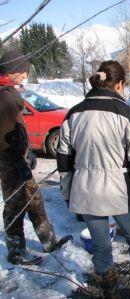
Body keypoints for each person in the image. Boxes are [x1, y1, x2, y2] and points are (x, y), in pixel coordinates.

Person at [57, 61, 130, 299]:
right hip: (119, 191)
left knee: (101, 248)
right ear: (120, 84)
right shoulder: (127, 114)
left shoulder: (74, 113)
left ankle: (110, 294)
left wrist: (69, 195)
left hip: (86, 191)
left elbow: (64, 161)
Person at [0, 50, 72, 266]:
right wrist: (17, 161)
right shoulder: (1, 96)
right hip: (9, 162)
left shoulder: (8, 89)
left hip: (19, 159)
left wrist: (28, 150)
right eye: (22, 71)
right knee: (15, 206)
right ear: (12, 70)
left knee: (35, 200)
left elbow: (18, 126)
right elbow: (3, 137)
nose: (25, 75)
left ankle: (49, 240)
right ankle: (17, 252)